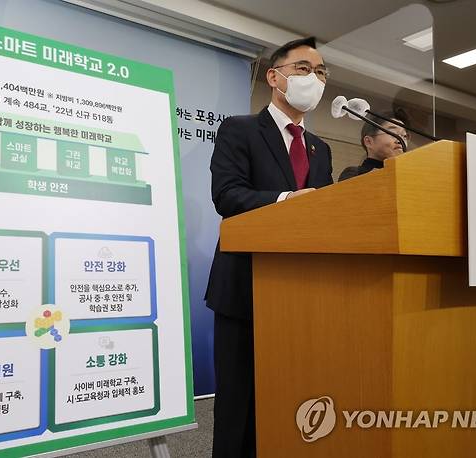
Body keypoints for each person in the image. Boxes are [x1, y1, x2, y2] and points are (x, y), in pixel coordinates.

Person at [205, 36, 334, 457]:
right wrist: (286, 200)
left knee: (285, 397)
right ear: (275, 78)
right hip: (244, 284)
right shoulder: (239, 129)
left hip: (298, 291)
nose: (314, 78)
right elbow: (227, 195)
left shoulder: (321, 148)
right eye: (303, 69)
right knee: (238, 404)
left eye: (321, 72)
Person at [338, 110, 410, 182]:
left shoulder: (408, 175)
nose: (400, 140)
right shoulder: (353, 174)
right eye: (393, 133)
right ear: (369, 142)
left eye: (404, 136)